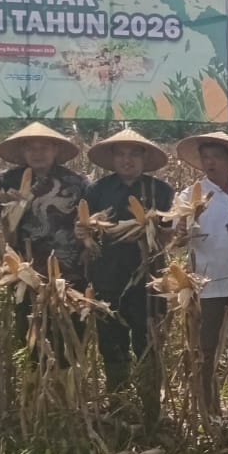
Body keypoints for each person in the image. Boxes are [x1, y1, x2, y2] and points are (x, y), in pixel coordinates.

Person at [82, 127, 174, 421]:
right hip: (108, 278)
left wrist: (160, 230)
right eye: (121, 154)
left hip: (149, 282)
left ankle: (150, 408)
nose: (128, 160)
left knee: (148, 343)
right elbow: (86, 231)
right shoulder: (97, 190)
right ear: (112, 158)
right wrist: (83, 232)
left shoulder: (160, 191)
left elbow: (168, 233)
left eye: (134, 154)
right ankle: (119, 405)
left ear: (145, 158)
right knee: (112, 344)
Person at [173, 130, 228, 418]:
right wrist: (181, 234)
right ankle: (209, 411)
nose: (209, 163)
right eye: (205, 158)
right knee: (206, 352)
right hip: (207, 285)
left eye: (215, 157)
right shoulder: (189, 196)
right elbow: (177, 243)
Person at [0, 121, 89, 365]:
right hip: (25, 274)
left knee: (69, 335)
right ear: (23, 152)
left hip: (69, 274)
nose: (38, 153)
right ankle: (36, 386)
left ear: (55, 150)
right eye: (31, 148)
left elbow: (92, 224)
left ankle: (69, 389)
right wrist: (5, 209)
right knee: (31, 335)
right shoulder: (5, 182)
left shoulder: (77, 184)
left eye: (44, 147)